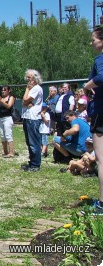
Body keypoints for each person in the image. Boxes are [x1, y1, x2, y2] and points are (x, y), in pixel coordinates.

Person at [83, 26, 103, 214]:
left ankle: (102, 204)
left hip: (101, 112)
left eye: (93, 40)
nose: (91, 43)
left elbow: (101, 76)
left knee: (101, 159)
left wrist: (87, 85)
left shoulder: (100, 59)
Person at [21, 69, 43, 172]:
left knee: (34, 142)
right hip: (27, 116)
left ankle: (35, 164)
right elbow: (24, 102)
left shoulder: (36, 88)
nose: (27, 79)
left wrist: (27, 89)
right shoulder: (33, 89)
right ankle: (32, 162)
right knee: (29, 142)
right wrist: (26, 102)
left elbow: (25, 100)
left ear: (35, 78)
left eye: (29, 77)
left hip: (33, 118)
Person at [0, 86, 16, 158]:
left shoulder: (11, 98)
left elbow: (9, 106)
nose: (3, 91)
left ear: (9, 91)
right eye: (2, 90)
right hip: (1, 118)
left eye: (5, 90)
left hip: (8, 118)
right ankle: (5, 152)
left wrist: (1, 100)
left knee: (8, 135)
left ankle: (11, 152)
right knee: (3, 136)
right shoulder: (0, 98)